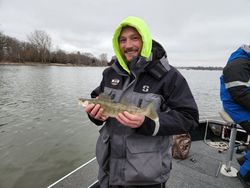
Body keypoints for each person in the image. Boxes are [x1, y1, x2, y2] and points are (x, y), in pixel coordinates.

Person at [84, 16, 199, 188]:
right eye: (122, 40)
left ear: (145, 40)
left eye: (134, 38)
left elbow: (189, 118)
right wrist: (96, 116)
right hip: (108, 170)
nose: (128, 45)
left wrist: (149, 123)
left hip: (146, 177)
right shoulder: (109, 73)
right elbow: (98, 99)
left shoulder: (169, 76)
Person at [220, 44, 250, 187]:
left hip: (243, 105)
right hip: (236, 107)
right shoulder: (239, 64)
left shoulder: (245, 61)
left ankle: (245, 159)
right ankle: (245, 174)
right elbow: (239, 93)